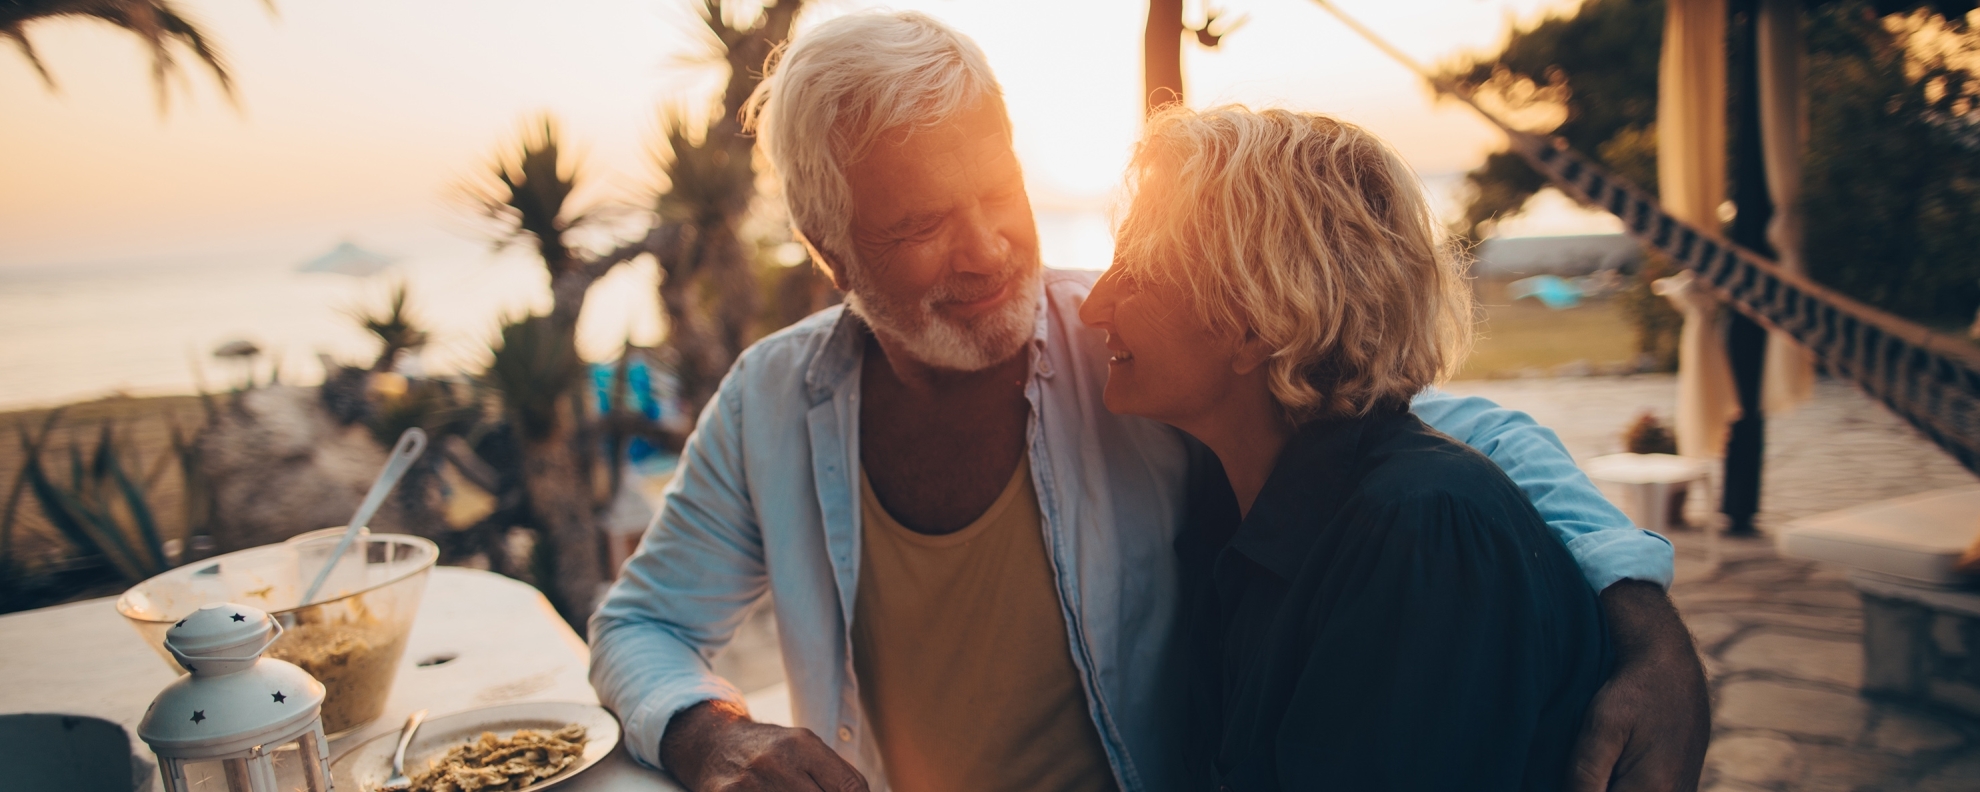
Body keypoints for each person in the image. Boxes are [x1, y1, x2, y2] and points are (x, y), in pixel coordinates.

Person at [588, 11, 1708, 792]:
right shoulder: (771, 401)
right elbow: (642, 622)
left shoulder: (1130, 342)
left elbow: (1432, 433)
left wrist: (1645, 622)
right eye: (919, 223)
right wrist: (706, 734)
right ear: (829, 248)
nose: (984, 250)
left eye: (998, 190)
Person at [1082, 106, 1613, 791]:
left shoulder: (1420, 537)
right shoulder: (1239, 500)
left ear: (1255, 323)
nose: (1091, 307)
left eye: (1136, 273)